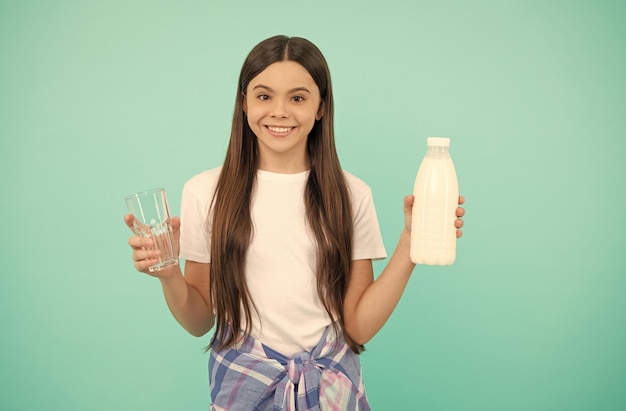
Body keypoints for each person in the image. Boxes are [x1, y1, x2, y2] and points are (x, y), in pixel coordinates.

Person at [124, 35, 465, 411]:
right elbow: (199, 321)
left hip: (332, 389)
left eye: (298, 98)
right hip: (243, 386)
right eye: (264, 96)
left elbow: (358, 327)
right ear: (244, 103)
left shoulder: (352, 194)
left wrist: (411, 241)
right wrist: (170, 275)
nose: (280, 111)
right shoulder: (205, 192)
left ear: (321, 107)